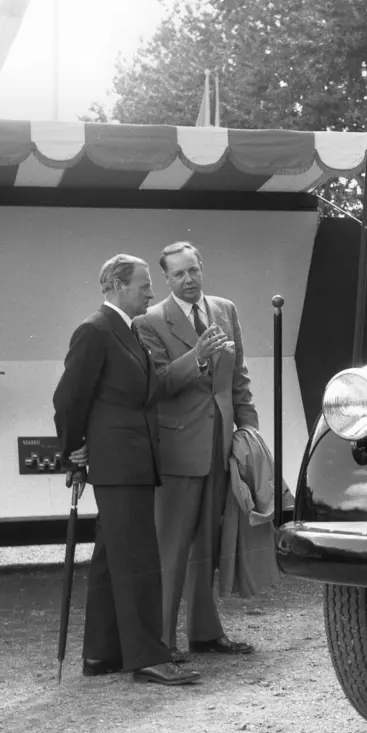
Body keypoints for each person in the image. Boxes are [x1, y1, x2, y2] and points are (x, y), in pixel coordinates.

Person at [52, 254, 199, 687]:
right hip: (119, 464)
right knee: (137, 557)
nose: (151, 292)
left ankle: (103, 653)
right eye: (144, 285)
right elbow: (69, 398)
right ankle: (148, 657)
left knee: (111, 557)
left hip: (131, 461)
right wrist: (73, 449)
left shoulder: (128, 330)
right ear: (116, 287)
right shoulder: (95, 331)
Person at [134, 241, 258, 660]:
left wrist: (249, 435)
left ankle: (204, 633)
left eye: (193, 271)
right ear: (166, 279)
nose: (188, 280)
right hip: (178, 449)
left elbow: (239, 379)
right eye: (178, 274)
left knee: (208, 543)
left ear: (202, 268)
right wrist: (197, 356)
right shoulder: (149, 321)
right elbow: (157, 385)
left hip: (220, 446)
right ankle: (163, 642)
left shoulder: (226, 309)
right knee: (172, 548)